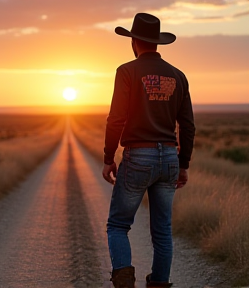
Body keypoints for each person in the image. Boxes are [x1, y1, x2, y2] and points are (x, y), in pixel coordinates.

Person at [102, 13, 195, 288]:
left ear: (134, 41)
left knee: (119, 225)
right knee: (163, 232)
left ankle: (124, 281)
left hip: (138, 156)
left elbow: (116, 118)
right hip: (169, 159)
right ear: (157, 42)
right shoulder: (178, 76)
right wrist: (184, 164)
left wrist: (109, 158)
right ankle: (159, 283)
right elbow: (188, 125)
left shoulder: (127, 71)